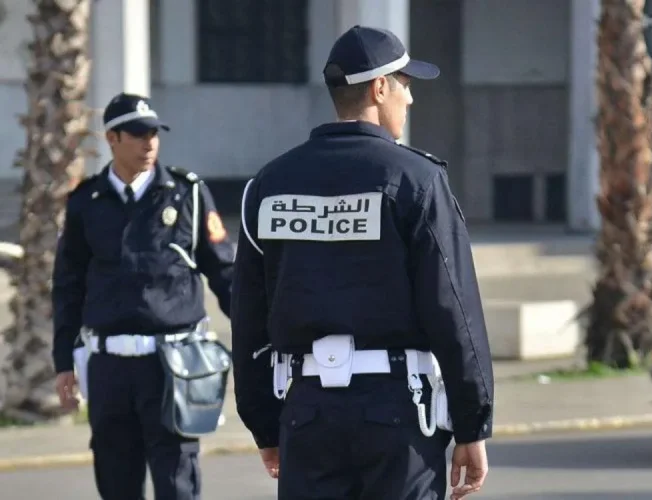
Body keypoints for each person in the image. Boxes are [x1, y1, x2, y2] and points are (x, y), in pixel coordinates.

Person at [231, 25, 494, 500]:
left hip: (306, 413)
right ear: (379, 88)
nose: (410, 98)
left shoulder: (269, 184)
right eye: (405, 84)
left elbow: (250, 319)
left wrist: (265, 426)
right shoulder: (416, 180)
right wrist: (472, 423)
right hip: (397, 412)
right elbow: (453, 309)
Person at [51, 92, 235, 500]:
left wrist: (261, 337)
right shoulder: (85, 202)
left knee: (178, 482)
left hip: (173, 365)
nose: (149, 142)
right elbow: (67, 286)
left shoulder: (187, 193)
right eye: (137, 133)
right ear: (112, 138)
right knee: (116, 481)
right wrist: (64, 361)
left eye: (154, 133)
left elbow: (225, 273)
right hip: (110, 368)